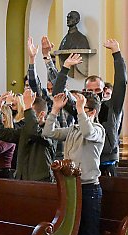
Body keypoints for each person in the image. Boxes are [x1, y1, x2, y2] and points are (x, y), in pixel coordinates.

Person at [53, 39, 127, 176]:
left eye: (97, 90)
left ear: (104, 90)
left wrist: (116, 53)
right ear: (84, 91)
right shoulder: (80, 107)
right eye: (90, 91)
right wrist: (65, 68)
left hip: (106, 163)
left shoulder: (112, 106)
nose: (94, 94)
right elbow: (58, 94)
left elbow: (122, 82)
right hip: (83, 166)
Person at [42, 92, 105, 235]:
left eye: (82, 107)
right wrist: (55, 110)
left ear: (93, 112)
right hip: (71, 187)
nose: (77, 110)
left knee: (88, 234)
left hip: (89, 189)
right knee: (72, 231)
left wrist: (81, 110)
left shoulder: (99, 130)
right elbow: (47, 132)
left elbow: (88, 132)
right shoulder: (73, 129)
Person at [0, 89, 55, 181]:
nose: (26, 116)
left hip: (41, 179)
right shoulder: (25, 130)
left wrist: (28, 107)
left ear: (42, 114)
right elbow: (0, 132)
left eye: (29, 112)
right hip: (22, 178)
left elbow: (34, 132)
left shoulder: (50, 129)